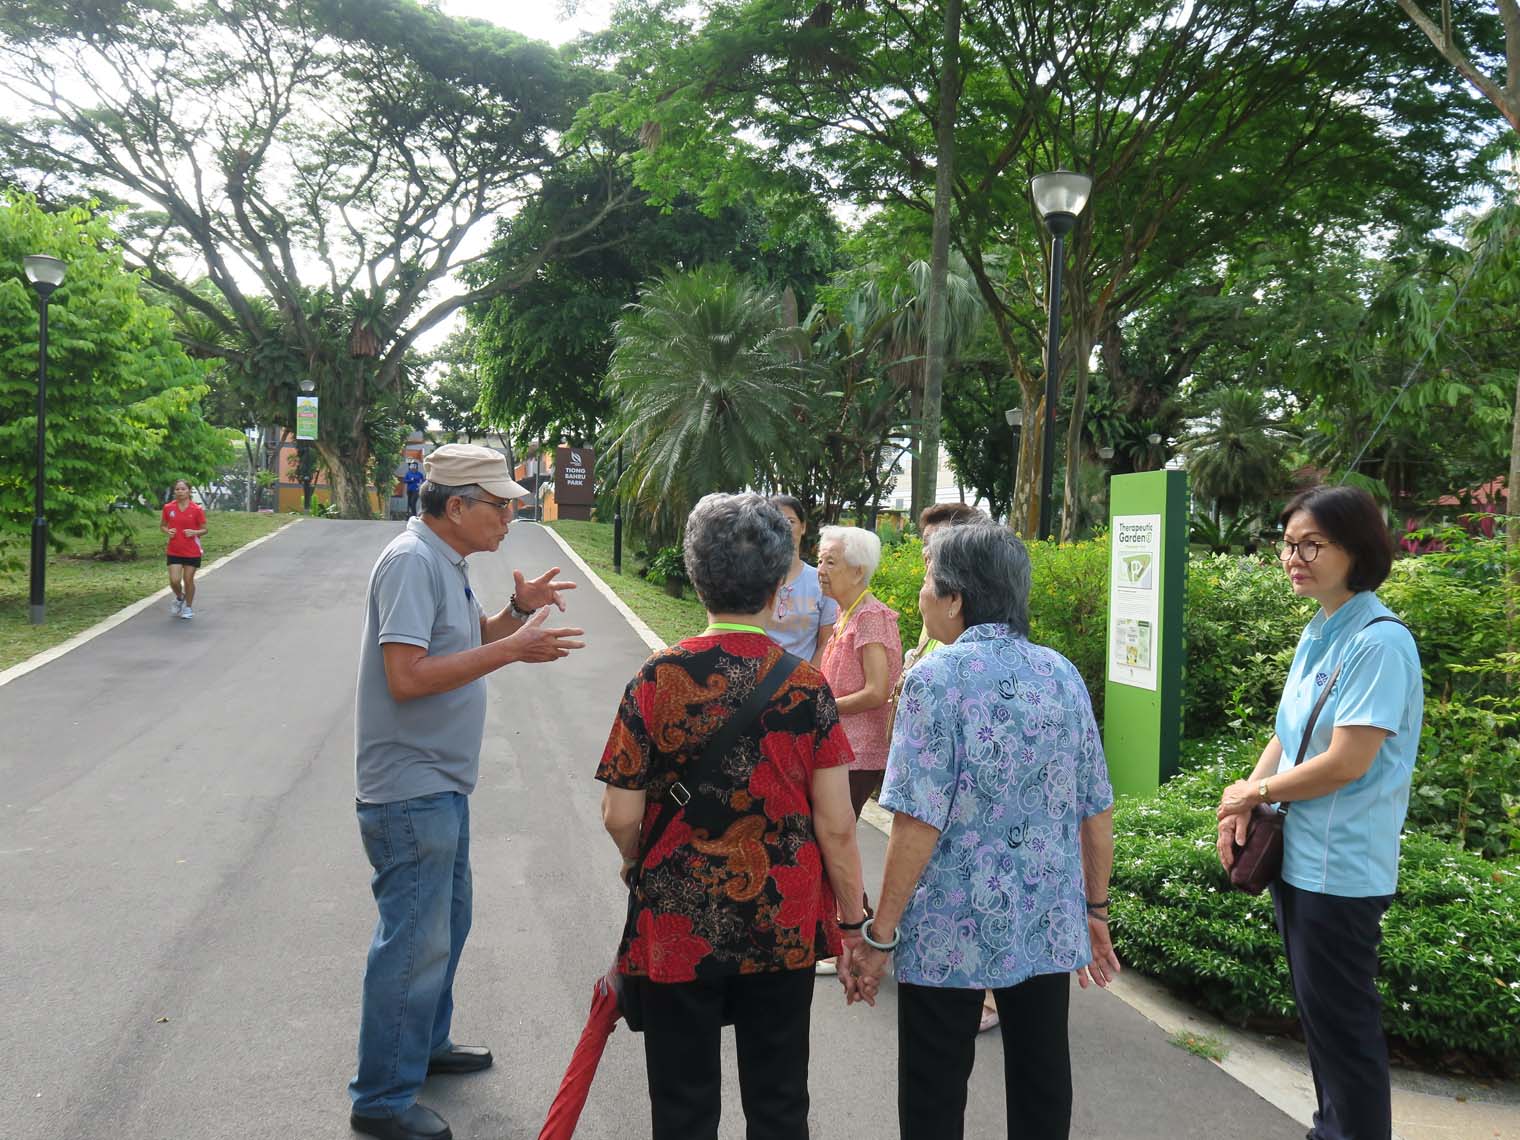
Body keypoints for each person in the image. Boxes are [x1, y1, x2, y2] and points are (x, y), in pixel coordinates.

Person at [597, 493, 869, 1140]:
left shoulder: (655, 679)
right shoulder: (806, 689)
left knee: (683, 1107)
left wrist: (641, 861)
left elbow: (619, 813)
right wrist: (854, 927)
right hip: (781, 924)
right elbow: (836, 826)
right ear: (781, 585)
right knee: (778, 1105)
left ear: (697, 575)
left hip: (676, 919)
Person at [349, 443, 587, 1140]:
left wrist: (514, 613)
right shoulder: (411, 563)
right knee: (414, 941)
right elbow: (409, 676)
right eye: (501, 504)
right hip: (409, 787)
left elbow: (462, 643)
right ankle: (382, 1099)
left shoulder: (441, 561)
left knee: (445, 925)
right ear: (456, 506)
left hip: (438, 782)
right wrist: (512, 650)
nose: (512, 515)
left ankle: (421, 1045)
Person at [854, 523, 1119, 1140]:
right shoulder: (1062, 676)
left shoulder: (934, 680)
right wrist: (1095, 908)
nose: (921, 594)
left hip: (951, 924)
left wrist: (881, 933)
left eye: (927, 581)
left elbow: (916, 822)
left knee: (934, 1089)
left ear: (955, 598)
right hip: (1046, 920)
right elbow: (1096, 808)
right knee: (1042, 1076)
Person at [1216, 484, 1423, 1140]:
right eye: (1288, 543)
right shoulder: (1323, 628)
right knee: (1324, 1025)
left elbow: (1346, 761)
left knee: (1345, 1033)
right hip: (1303, 858)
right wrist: (1242, 798)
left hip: (1342, 867)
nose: (1293, 557)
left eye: (1313, 544)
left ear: (1356, 551)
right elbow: (1289, 732)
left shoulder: (1379, 643)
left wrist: (1257, 794)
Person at [765, 494, 838, 668]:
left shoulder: (821, 581)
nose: (784, 528)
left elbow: (826, 643)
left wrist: (806, 681)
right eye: (777, 522)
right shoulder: (754, 578)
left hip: (803, 683)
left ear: (803, 527)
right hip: (756, 681)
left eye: (790, 521)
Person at [161, 479, 207, 620]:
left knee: (188, 580)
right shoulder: (168, 508)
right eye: (177, 489)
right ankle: (180, 597)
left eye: (183, 489)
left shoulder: (196, 509)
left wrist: (194, 532)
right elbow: (163, 525)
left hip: (192, 551)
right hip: (174, 549)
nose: (180, 491)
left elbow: (205, 529)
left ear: (189, 491)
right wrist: (167, 531)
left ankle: (188, 607)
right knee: (175, 580)